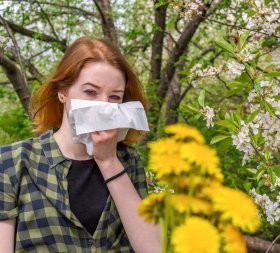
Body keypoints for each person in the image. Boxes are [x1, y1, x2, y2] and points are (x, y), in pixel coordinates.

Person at [0, 37, 161, 253]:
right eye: (90, 92)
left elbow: (153, 248)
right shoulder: (12, 162)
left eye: (114, 97)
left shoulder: (127, 161)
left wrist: (108, 160)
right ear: (63, 92)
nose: (103, 105)